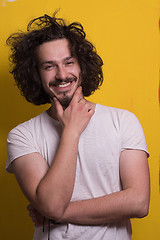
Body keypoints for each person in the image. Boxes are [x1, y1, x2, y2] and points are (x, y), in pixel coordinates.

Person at [6, 12, 150, 240]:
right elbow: (51, 203)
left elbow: (139, 202)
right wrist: (71, 131)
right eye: (49, 66)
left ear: (82, 66)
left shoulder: (123, 121)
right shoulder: (22, 135)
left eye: (69, 62)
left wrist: (57, 213)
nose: (62, 75)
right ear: (35, 73)